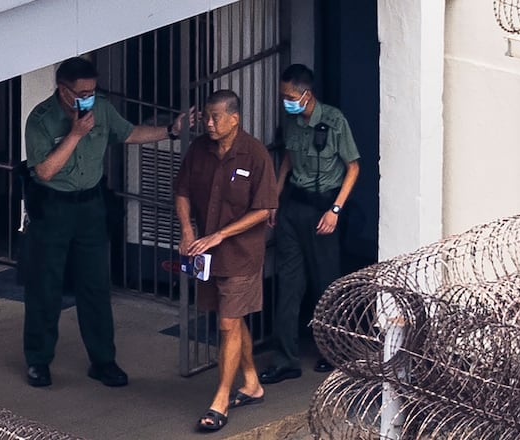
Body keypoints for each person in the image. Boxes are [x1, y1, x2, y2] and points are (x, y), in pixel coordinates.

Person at [23, 57, 193, 388]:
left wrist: (171, 131)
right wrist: (75, 134)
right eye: (82, 93)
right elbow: (44, 171)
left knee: (96, 285)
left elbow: (128, 133)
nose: (89, 97)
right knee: (45, 286)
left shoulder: (100, 108)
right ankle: (38, 360)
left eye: (92, 90)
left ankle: (103, 360)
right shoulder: (41, 119)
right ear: (63, 90)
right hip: (53, 207)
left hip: (90, 206)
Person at [174, 90, 278, 431]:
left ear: (235, 119)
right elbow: (182, 191)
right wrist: (187, 230)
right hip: (206, 252)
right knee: (230, 318)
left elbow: (264, 209)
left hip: (242, 254)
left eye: (215, 117)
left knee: (228, 324)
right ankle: (252, 383)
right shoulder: (199, 149)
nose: (208, 123)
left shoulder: (255, 154)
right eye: (206, 116)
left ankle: (220, 400)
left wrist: (221, 234)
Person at [258, 64, 360, 384]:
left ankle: (333, 352)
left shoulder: (334, 121)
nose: (286, 102)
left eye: (290, 97)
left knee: (325, 285)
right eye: (283, 97)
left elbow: (353, 167)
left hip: (323, 209)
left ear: (307, 94)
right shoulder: (292, 122)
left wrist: (335, 210)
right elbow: (288, 160)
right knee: (289, 286)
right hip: (294, 207)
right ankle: (285, 360)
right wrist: (275, 199)